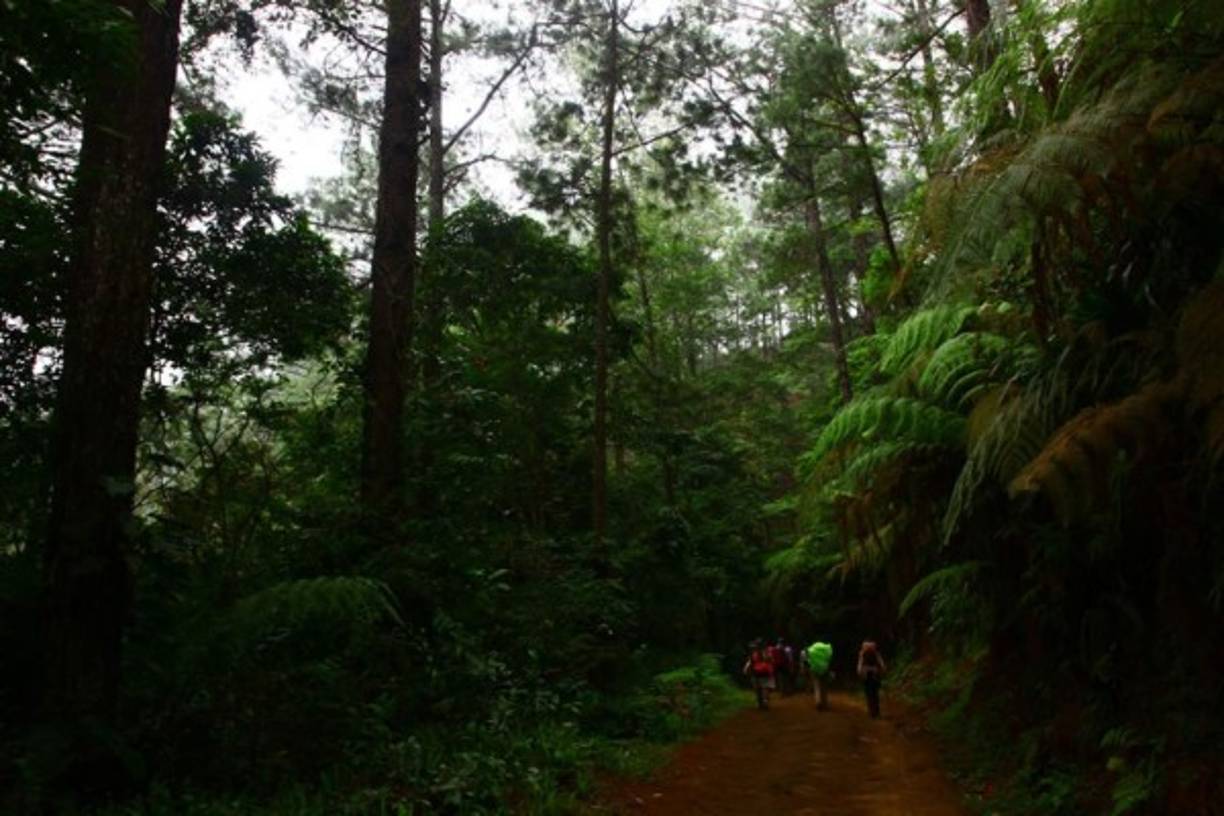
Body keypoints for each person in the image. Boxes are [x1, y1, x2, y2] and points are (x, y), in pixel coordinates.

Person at [857, 640, 887, 719]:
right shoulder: (876, 653)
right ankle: (877, 712)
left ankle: (871, 712)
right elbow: (881, 663)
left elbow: (860, 664)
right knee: (875, 694)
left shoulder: (862, 653)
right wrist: (883, 670)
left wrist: (859, 671)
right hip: (875, 675)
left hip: (866, 676)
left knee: (868, 694)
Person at [743, 639, 776, 710]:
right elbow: (772, 661)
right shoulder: (767, 652)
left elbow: (750, 663)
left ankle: (759, 703)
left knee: (758, 688)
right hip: (766, 672)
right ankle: (765, 700)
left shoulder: (753, 654)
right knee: (766, 687)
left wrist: (746, 671)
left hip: (756, 673)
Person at [806, 641, 833, 710]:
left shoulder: (812, 649)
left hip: (814, 670)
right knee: (824, 687)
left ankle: (818, 702)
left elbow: (809, 660)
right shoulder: (826, 648)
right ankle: (825, 703)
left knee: (816, 686)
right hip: (824, 669)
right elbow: (829, 659)